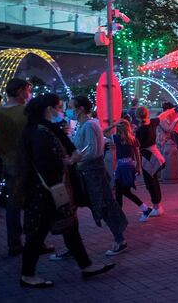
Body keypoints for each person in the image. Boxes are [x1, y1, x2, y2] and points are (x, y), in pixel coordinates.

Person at [18, 93, 114, 288]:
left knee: (69, 227)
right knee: (38, 233)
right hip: (46, 192)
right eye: (59, 107)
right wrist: (69, 161)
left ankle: (86, 265)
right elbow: (44, 162)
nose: (62, 111)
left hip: (51, 190)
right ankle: (27, 275)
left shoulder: (43, 128)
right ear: (48, 109)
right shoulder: (40, 132)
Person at [0, 79, 54, 257]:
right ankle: (35, 241)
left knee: (13, 204)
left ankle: (14, 243)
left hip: (8, 162)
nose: (29, 93)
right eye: (28, 90)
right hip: (28, 163)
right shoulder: (25, 112)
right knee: (35, 204)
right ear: (19, 91)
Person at [68, 96, 129, 256]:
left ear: (80, 108)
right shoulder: (86, 125)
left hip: (92, 174)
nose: (69, 111)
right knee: (99, 205)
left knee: (104, 205)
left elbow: (92, 150)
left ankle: (120, 239)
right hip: (88, 173)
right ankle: (72, 245)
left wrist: (75, 159)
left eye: (71, 107)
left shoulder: (88, 125)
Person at [112, 120, 152, 220]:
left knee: (121, 191)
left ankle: (120, 215)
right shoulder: (132, 139)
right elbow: (137, 154)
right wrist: (138, 167)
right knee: (123, 191)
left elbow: (104, 132)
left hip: (121, 167)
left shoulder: (117, 138)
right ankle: (144, 208)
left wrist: (113, 125)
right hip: (130, 166)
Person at [135, 107, 164, 218]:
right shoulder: (152, 123)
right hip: (155, 154)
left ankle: (156, 207)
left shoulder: (140, 130)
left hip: (147, 156)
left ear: (137, 117)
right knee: (154, 180)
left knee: (150, 182)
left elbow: (137, 145)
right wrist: (172, 110)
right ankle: (157, 205)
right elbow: (161, 116)